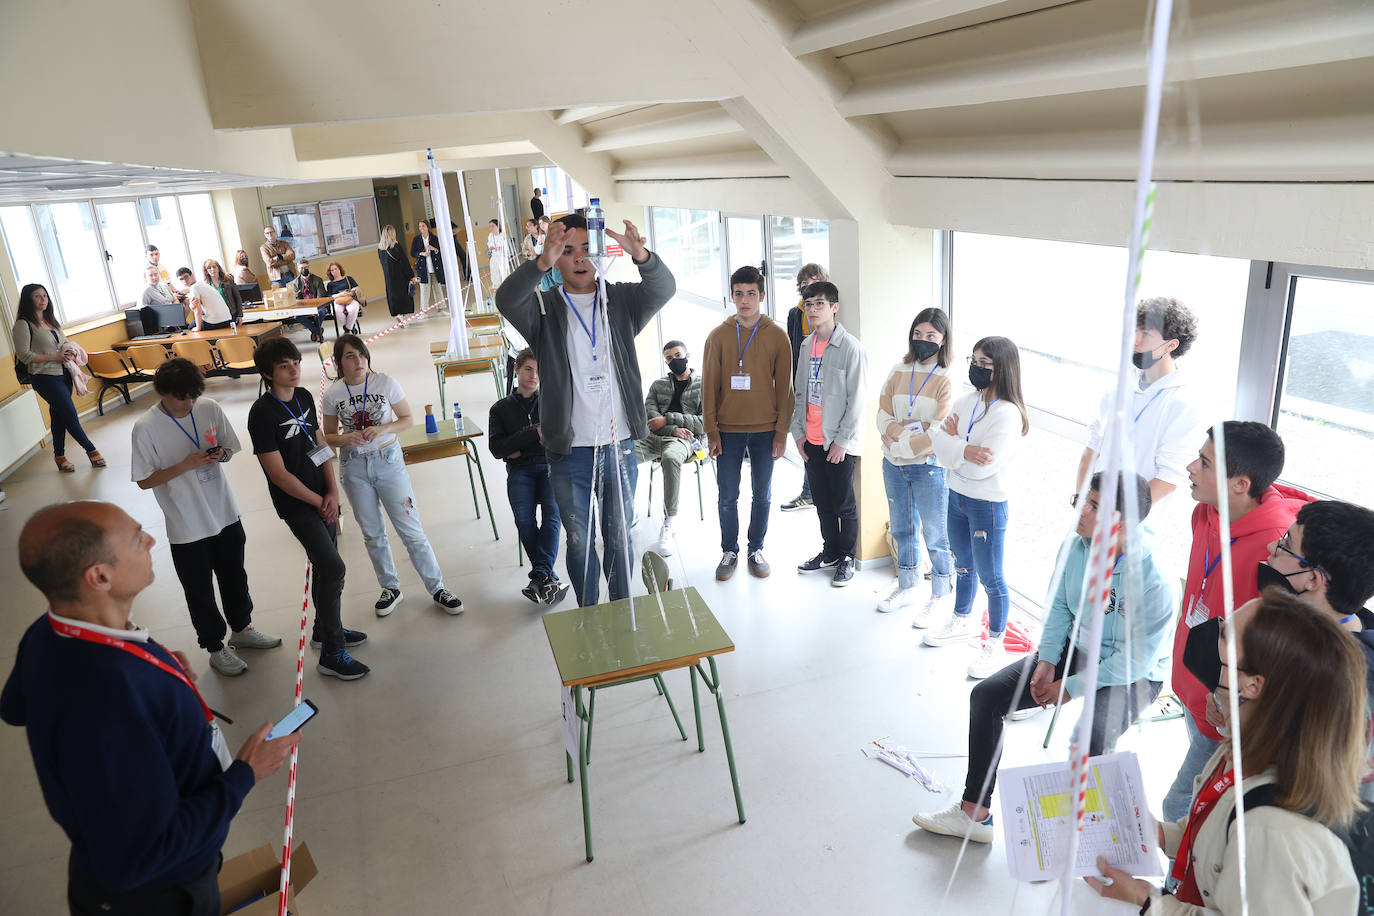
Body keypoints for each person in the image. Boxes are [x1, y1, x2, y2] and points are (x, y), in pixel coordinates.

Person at [1, 501, 299, 915]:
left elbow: (14, 706)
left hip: (112, 855)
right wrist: (245, 774)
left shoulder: (49, 630)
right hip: (162, 892)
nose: (152, 540)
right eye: (137, 536)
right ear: (99, 576)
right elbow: (143, 856)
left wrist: (151, 668)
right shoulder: (106, 696)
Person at [914, 473, 1173, 843]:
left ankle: (1097, 841)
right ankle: (975, 814)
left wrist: (1069, 688)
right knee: (986, 697)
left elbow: (1137, 660)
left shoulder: (1154, 578)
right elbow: (1059, 610)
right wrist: (1048, 660)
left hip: (1134, 672)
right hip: (1078, 648)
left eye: (1095, 506)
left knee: (1093, 738)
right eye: (1084, 499)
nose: (1082, 511)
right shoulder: (1076, 545)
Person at [1087, 590, 1363, 914]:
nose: (1213, 637)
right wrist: (1163, 834)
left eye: (1225, 636)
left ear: (1252, 686)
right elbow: (1219, 839)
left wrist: (1145, 898)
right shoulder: (1247, 745)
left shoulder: (1271, 832)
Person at [494, 214, 674, 607]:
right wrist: (540, 261)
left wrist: (640, 255)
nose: (578, 259)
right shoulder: (542, 307)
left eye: (586, 250)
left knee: (620, 536)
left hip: (619, 443)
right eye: (567, 251)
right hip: (570, 448)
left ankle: (621, 610)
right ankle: (591, 614)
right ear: (556, 259)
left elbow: (664, 288)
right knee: (578, 540)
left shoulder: (622, 300)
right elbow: (505, 299)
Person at [1161, 421, 1313, 821]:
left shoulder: (1276, 550)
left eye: (1205, 463)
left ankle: (1177, 884)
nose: (1191, 467)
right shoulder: (1205, 514)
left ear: (1240, 484)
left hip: (1223, 704)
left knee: (1181, 807)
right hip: (1191, 686)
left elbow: (1272, 647)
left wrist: (1229, 699)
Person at [132, 358, 281, 676]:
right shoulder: (146, 427)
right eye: (180, 397)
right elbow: (144, 480)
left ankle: (242, 629)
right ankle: (214, 646)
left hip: (224, 510)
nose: (188, 403)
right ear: (163, 393)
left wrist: (221, 454)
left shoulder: (208, 406)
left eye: (192, 396)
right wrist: (184, 466)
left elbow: (230, 446)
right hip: (186, 524)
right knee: (199, 588)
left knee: (234, 575)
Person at [247, 336, 369, 680]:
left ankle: (324, 629)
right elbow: (279, 475)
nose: (293, 370)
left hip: (321, 495)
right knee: (332, 568)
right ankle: (332, 652)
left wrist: (332, 490)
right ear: (267, 373)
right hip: (297, 504)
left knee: (324, 565)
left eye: (296, 363)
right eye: (284, 366)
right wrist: (318, 501)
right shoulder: (261, 414)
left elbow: (318, 444)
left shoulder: (302, 397)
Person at [321, 334, 463, 617]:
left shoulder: (385, 383)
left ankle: (437, 587)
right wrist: (346, 437)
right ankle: (390, 587)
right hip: (354, 467)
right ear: (338, 363)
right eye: (350, 356)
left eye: (361, 354)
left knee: (411, 529)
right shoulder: (333, 394)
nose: (359, 361)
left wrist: (383, 429)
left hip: (387, 461)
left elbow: (407, 419)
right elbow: (327, 437)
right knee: (372, 533)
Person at [923, 335, 1030, 678]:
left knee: (992, 577)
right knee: (963, 566)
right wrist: (964, 449)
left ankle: (995, 641)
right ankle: (961, 619)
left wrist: (956, 448)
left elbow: (984, 466)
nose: (977, 369)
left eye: (986, 365)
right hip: (957, 495)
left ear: (1003, 370)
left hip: (987, 504)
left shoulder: (1008, 414)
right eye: (975, 361)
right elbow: (936, 440)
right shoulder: (968, 400)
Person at [1262, 500, 1374, 799]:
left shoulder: (1342, 686)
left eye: (1286, 543)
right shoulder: (1300, 633)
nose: (1272, 546)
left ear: (1313, 578)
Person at [1077, 296, 1205, 524]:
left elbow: (1168, 478)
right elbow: (1091, 451)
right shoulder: (1118, 387)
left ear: (1170, 345)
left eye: (1145, 334)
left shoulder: (1183, 402)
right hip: (1092, 512)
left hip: (1133, 523)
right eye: (1134, 331)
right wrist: (1082, 502)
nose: (1135, 340)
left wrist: (1118, 517)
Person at [703, 265, 793, 580]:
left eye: (751, 294)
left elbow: (786, 390)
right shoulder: (718, 336)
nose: (744, 300)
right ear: (732, 295)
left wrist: (782, 432)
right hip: (727, 430)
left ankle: (756, 548)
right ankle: (730, 550)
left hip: (766, 429)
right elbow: (709, 387)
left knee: (762, 493)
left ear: (762, 296)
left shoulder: (778, 336)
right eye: (739, 294)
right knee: (727, 495)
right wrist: (711, 430)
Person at [876, 307, 956, 619]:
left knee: (936, 534)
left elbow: (938, 429)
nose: (923, 340)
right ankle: (907, 585)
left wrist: (901, 443)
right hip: (893, 463)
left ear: (943, 339)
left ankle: (940, 593)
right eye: (918, 334)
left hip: (929, 468)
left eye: (931, 336)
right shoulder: (898, 369)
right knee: (903, 528)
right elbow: (883, 415)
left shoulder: (947, 380)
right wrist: (900, 434)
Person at [792, 280, 868, 587]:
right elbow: (800, 394)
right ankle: (830, 552)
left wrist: (843, 442)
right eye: (808, 304)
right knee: (822, 503)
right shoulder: (806, 346)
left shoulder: (851, 348)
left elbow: (858, 401)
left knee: (844, 504)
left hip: (838, 443)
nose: (812, 310)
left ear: (834, 307)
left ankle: (847, 557)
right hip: (811, 440)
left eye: (819, 304)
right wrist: (797, 433)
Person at [488, 348, 570, 606]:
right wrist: (536, 432)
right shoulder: (500, 408)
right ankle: (547, 577)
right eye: (528, 369)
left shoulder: (552, 401)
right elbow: (497, 449)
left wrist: (518, 446)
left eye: (538, 370)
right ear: (516, 370)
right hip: (520, 471)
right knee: (523, 520)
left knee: (552, 515)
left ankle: (539, 575)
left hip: (550, 466)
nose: (534, 376)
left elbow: (563, 438)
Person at [12, 284, 105, 473]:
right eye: (37, 296)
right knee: (69, 413)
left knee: (58, 415)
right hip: (43, 377)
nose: (43, 299)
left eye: (45, 295)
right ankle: (91, 450)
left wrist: (68, 351)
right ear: (28, 300)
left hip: (64, 373)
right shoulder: (23, 324)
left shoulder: (51, 321)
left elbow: (62, 344)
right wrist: (54, 357)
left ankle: (60, 456)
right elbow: (24, 355)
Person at [635, 340, 704, 556]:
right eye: (669, 358)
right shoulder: (658, 385)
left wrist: (668, 419)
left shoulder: (704, 384)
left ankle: (669, 523)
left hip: (686, 440)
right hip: (657, 436)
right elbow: (650, 417)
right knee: (620, 454)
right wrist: (672, 428)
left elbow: (706, 423)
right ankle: (625, 514)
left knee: (671, 457)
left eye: (677, 355)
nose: (674, 361)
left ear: (687, 355)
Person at [781, 263, 828, 512]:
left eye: (813, 280)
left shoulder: (830, 310)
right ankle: (809, 492)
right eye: (803, 282)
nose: (807, 286)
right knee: (806, 440)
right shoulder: (795, 314)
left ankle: (814, 492)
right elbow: (792, 351)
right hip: (804, 387)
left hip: (827, 388)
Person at [176, 267, 233, 332]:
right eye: (181, 279)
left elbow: (197, 311)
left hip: (215, 322)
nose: (184, 281)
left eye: (186, 277)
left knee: (190, 327)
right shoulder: (203, 284)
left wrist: (198, 328)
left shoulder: (194, 288)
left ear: (192, 275)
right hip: (227, 320)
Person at [377, 224, 416, 317]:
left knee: (393, 296)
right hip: (400, 277)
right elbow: (404, 263)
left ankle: (398, 315)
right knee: (403, 296)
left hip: (388, 278)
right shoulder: (396, 246)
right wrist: (411, 276)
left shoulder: (380, 249)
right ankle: (402, 316)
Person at [289, 259, 330, 342]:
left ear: (309, 267)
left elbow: (321, 297)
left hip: (318, 305)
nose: (304, 269)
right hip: (304, 306)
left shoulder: (318, 279)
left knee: (321, 312)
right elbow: (297, 299)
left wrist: (314, 307)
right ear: (298, 269)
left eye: (306, 267)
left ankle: (315, 332)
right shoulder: (295, 283)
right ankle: (318, 331)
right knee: (297, 316)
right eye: (301, 268)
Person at [411, 220, 446, 313]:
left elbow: (440, 252)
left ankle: (441, 308)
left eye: (423, 226)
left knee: (437, 288)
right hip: (423, 269)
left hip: (434, 268)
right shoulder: (417, 239)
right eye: (420, 226)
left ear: (427, 227)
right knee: (424, 290)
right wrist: (421, 253)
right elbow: (412, 253)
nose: (421, 228)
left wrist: (434, 249)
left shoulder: (434, 238)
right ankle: (424, 311)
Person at [324, 261, 364, 333]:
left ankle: (347, 328)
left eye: (336, 269)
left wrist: (350, 293)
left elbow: (357, 289)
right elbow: (329, 296)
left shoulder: (348, 278)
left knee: (353, 309)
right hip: (338, 301)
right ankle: (351, 327)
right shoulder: (330, 284)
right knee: (337, 311)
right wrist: (340, 294)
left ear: (339, 269)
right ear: (330, 273)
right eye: (332, 270)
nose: (335, 271)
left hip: (350, 299)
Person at [486, 218, 511, 287]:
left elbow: (506, 247)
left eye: (493, 226)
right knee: (494, 275)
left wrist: (499, 248)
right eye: (490, 226)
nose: (491, 228)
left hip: (502, 256)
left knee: (504, 274)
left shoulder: (502, 235)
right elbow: (489, 246)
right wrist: (490, 249)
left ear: (498, 226)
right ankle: (496, 288)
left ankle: (506, 287)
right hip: (493, 257)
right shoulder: (490, 236)